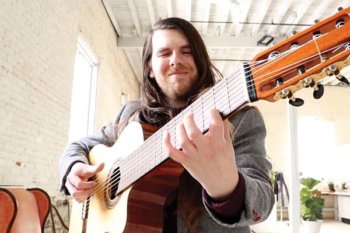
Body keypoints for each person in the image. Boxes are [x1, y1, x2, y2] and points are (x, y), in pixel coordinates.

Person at [59, 17, 274, 233]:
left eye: (186, 51)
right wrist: (74, 168)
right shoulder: (131, 115)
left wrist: (226, 189)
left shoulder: (240, 118)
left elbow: (262, 205)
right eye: (164, 53)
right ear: (150, 68)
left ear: (199, 60)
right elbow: (80, 147)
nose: (175, 60)